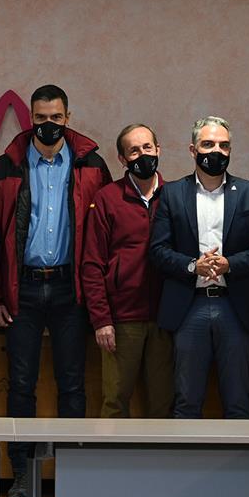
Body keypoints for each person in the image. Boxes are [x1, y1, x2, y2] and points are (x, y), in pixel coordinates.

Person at [0, 84, 111, 497]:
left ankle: (71, 470)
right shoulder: (6, 168)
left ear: (68, 118)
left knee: (72, 385)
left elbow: (103, 238)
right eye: (41, 118)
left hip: (68, 290)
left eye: (56, 118)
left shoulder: (91, 166)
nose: (49, 125)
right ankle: (22, 473)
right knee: (21, 385)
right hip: (23, 290)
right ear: (31, 119)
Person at [149, 116, 249, 419]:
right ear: (193, 150)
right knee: (187, 401)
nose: (216, 151)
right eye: (208, 144)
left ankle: (238, 467)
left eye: (223, 145)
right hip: (190, 307)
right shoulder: (173, 193)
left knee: (238, 402)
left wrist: (229, 264)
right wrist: (193, 266)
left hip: (235, 306)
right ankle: (184, 466)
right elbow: (158, 250)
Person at [81, 123, 171, 418]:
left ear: (158, 150)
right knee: (115, 401)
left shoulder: (174, 196)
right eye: (134, 150)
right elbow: (92, 264)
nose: (142, 154)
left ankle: (160, 465)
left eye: (147, 147)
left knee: (163, 403)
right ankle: (110, 463)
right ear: (122, 159)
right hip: (121, 322)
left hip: (166, 319)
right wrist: (101, 320)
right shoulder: (108, 198)